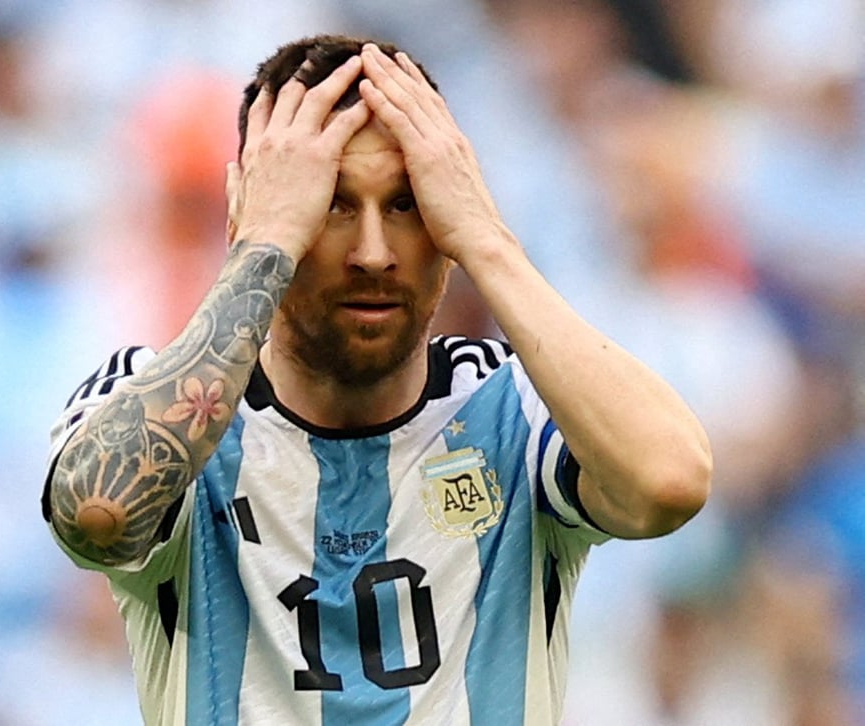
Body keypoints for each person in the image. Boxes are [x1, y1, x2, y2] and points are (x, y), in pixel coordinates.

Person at [41, 34, 712, 725]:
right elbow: (101, 517)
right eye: (329, 203)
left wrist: (485, 238)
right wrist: (264, 243)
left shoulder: (517, 412)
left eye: (405, 203)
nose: (372, 253)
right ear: (251, 208)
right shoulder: (154, 399)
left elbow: (669, 484)